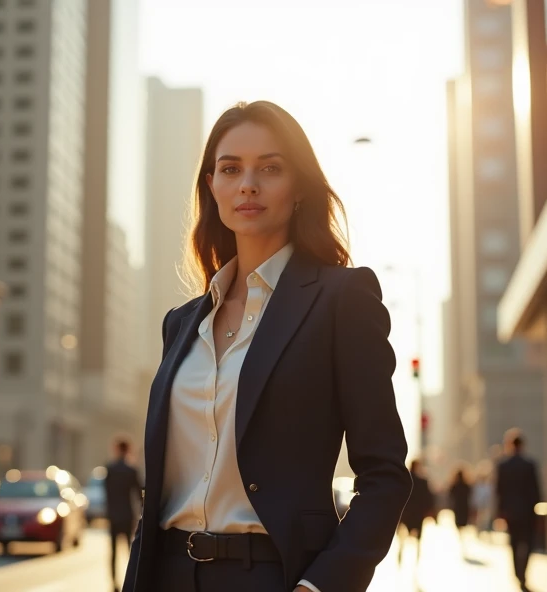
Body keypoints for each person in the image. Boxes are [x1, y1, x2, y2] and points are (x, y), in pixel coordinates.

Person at [123, 101, 412, 592]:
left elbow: (384, 475)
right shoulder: (181, 323)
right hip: (167, 574)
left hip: (274, 576)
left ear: (298, 186)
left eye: (270, 168)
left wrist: (322, 586)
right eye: (230, 168)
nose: (248, 184)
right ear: (211, 186)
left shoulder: (341, 300)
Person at [496, 429, 542, 592]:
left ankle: (518, 573)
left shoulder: (503, 466)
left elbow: (499, 491)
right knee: (528, 542)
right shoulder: (529, 464)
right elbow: (536, 490)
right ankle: (522, 573)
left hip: (510, 512)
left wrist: (500, 512)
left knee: (514, 543)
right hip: (527, 511)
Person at [104, 437, 143, 592]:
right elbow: (140, 495)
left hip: (113, 515)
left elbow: (106, 493)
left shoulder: (110, 469)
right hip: (127, 515)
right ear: (128, 450)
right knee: (129, 550)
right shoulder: (131, 470)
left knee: (113, 551)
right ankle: (130, 581)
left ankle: (114, 583)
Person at [397, 459, 434, 567]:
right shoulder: (423, 481)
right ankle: (417, 560)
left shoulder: (403, 481)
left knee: (402, 536)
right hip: (418, 514)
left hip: (405, 513)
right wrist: (428, 511)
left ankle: (401, 554)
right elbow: (428, 498)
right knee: (418, 539)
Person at [448, 465, 474, 558]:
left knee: (459, 524)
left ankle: (461, 536)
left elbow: (450, 495)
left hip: (458, 507)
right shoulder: (467, 485)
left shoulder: (454, 485)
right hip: (464, 507)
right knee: (463, 524)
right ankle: (462, 537)